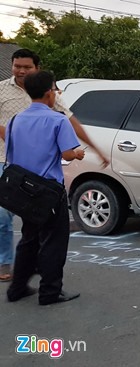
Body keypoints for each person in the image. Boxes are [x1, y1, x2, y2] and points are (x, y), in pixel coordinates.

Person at [0, 49, 109, 282]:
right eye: (17, 66)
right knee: (6, 218)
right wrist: (25, 138)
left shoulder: (49, 101)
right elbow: (68, 152)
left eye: (26, 67)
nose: (21, 71)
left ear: (36, 68)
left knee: (32, 226)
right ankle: (9, 264)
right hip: (8, 164)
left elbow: (72, 122)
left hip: (36, 175)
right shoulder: (2, 91)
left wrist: (98, 148)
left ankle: (24, 277)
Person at [5, 71, 85, 305]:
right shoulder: (57, 120)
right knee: (53, 242)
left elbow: (10, 153)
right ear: (50, 94)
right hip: (48, 190)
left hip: (22, 189)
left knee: (28, 239)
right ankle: (50, 292)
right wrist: (78, 154)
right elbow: (68, 152)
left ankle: (17, 288)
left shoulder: (15, 120)